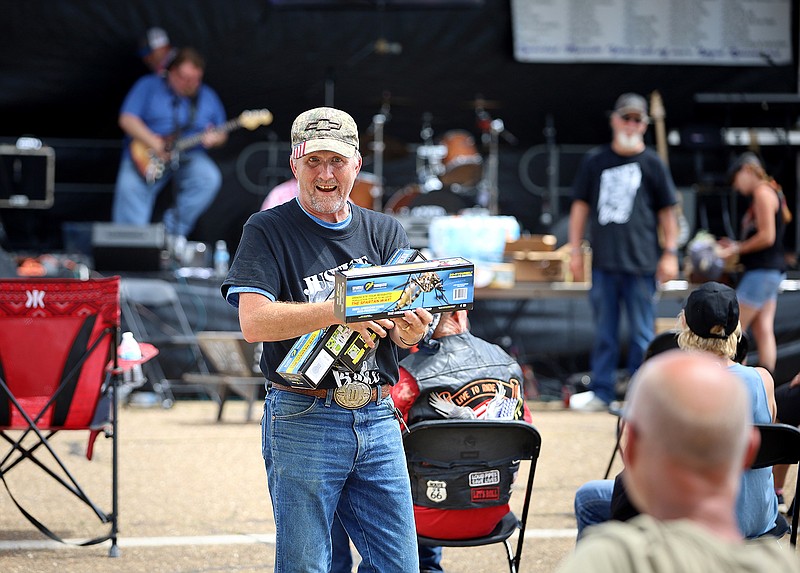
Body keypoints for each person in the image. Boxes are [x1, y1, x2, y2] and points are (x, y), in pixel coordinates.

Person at [221, 107, 425, 572]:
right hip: (303, 413)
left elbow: (407, 328)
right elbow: (253, 323)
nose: (326, 174)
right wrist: (340, 309)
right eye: (314, 162)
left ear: (356, 163)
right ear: (294, 165)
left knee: (399, 566)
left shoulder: (385, 230)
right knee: (306, 566)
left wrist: (414, 329)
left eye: (336, 161)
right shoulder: (266, 228)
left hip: (377, 412)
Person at [557, 350, 800, 573]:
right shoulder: (782, 566)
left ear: (629, 451)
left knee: (588, 498)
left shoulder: (608, 560)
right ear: (749, 451)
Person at [573, 282, 782, 540]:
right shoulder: (764, 380)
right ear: (736, 328)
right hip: (761, 524)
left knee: (588, 498)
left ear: (684, 323)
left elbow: (633, 463)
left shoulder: (670, 384)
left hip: (696, 528)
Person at [568, 92, 679, 411]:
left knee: (643, 334)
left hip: (643, 264)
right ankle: (602, 392)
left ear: (644, 125)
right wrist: (575, 250)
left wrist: (670, 252)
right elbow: (580, 207)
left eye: (637, 119)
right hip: (604, 263)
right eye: (626, 117)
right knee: (604, 332)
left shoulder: (653, 163)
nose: (631, 124)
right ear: (614, 120)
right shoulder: (595, 161)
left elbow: (667, 212)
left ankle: (640, 397)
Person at [112, 47, 227, 239]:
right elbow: (127, 119)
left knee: (208, 177)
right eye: (184, 78)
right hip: (148, 152)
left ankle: (171, 234)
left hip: (189, 153)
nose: (190, 84)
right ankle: (131, 244)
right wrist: (155, 143)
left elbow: (221, 133)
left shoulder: (208, 96)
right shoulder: (147, 86)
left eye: (195, 79)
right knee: (131, 186)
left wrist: (215, 139)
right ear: (171, 72)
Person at [718, 152, 791, 373]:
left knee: (734, 329)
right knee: (763, 329)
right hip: (770, 271)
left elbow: (767, 236)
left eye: (736, 180)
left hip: (762, 272)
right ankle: (766, 384)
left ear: (747, 170)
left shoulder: (762, 192)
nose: (737, 188)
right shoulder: (771, 191)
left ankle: (738, 382)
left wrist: (737, 248)